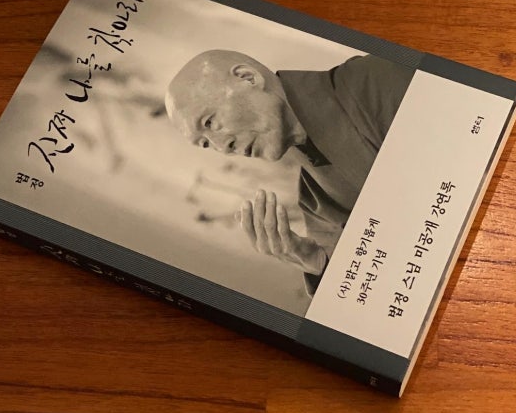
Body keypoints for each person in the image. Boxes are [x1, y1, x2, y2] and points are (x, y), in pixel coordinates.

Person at [165, 49, 414, 295]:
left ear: (248, 78)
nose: (222, 147)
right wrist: (316, 261)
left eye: (209, 122)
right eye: (206, 143)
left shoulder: (379, 78)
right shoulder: (316, 199)